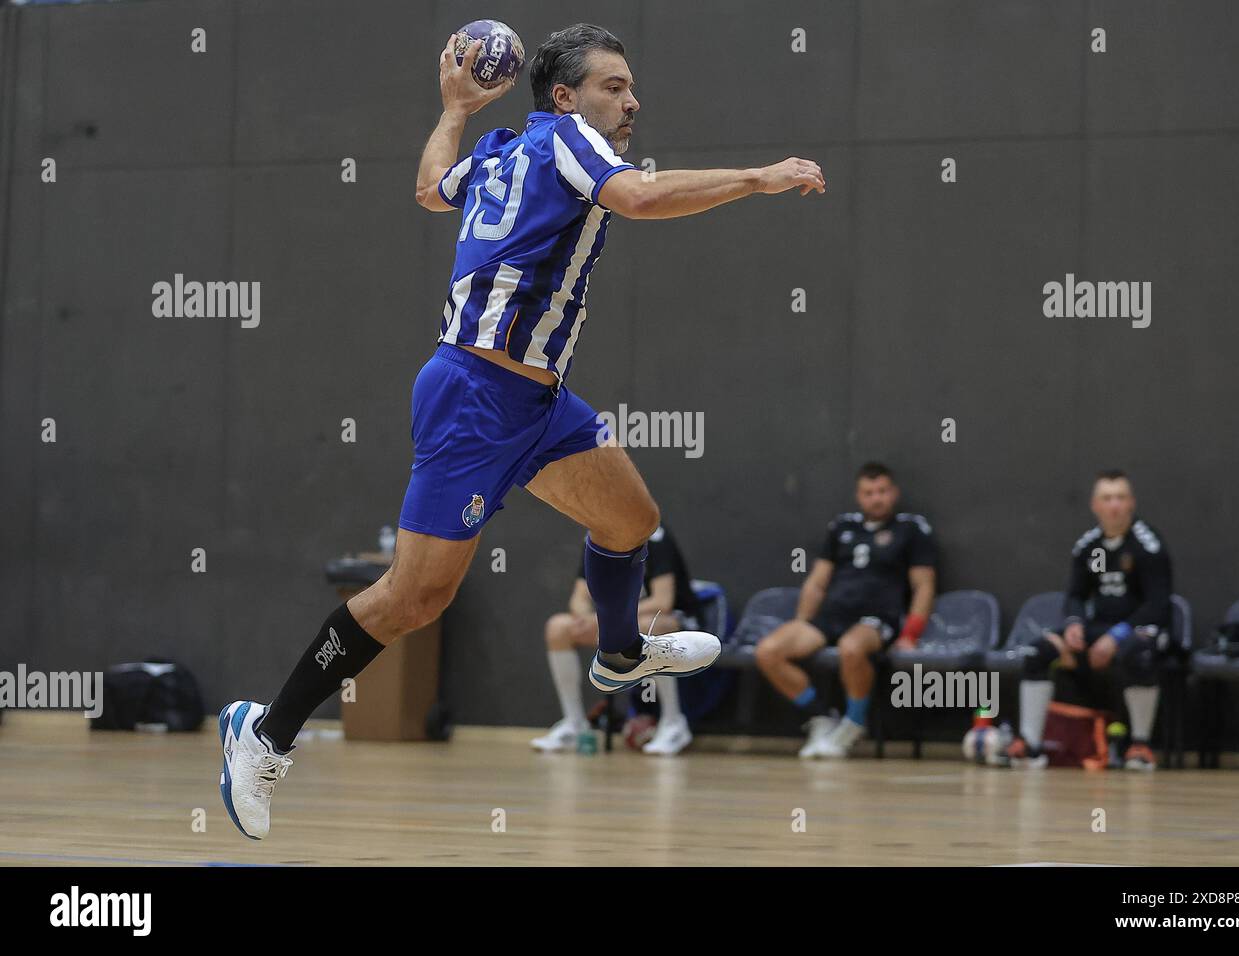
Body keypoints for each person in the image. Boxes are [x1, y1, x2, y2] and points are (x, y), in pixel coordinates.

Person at [217, 22, 825, 839]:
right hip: (474, 395)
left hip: (538, 402)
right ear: (567, 97)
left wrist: (454, 108)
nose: (632, 99)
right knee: (413, 598)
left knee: (630, 521)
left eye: (632, 86)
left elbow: (433, 186)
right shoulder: (567, 139)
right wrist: (760, 175)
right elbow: (640, 199)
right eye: (616, 86)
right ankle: (264, 731)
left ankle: (618, 653)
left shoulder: (502, 154)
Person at [755, 463, 937, 759]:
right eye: (869, 493)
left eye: (882, 491)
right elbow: (816, 582)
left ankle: (853, 723)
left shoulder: (911, 529)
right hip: (831, 615)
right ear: (858, 495)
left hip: (876, 618)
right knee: (768, 651)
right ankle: (822, 718)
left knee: (851, 648)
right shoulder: (842, 527)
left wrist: (911, 634)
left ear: (894, 493)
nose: (876, 498)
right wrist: (803, 622)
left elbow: (924, 585)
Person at [1006, 470, 1172, 771]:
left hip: (1141, 628)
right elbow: (1076, 596)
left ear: (1131, 503)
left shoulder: (1148, 545)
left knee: (1139, 653)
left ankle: (1140, 745)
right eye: (1107, 498)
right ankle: (1030, 745)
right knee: (1038, 652)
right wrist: (1074, 624)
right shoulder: (1088, 546)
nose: (1114, 506)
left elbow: (1158, 605)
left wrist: (1117, 636)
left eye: (1120, 498)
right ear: (1095, 505)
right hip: (1100, 628)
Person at [532, 523, 703, 755]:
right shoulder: (596, 536)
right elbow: (579, 598)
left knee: (646, 627)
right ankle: (574, 724)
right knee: (558, 628)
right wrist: (590, 618)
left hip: (674, 620)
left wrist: (606, 618)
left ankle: (673, 723)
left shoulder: (654, 535)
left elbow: (663, 601)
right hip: (618, 620)